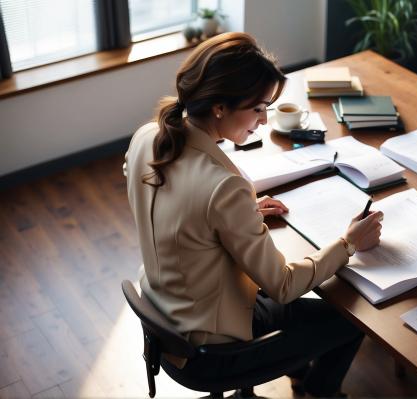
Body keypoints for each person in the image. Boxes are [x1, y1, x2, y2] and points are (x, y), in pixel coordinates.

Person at [124, 32, 383, 397]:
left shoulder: (147, 137)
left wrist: (227, 218)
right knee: (352, 322)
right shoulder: (224, 187)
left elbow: (157, 191)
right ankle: (317, 392)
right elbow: (282, 286)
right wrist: (349, 243)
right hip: (211, 353)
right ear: (219, 107)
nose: (263, 120)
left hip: (168, 315)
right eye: (258, 107)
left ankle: (301, 376)